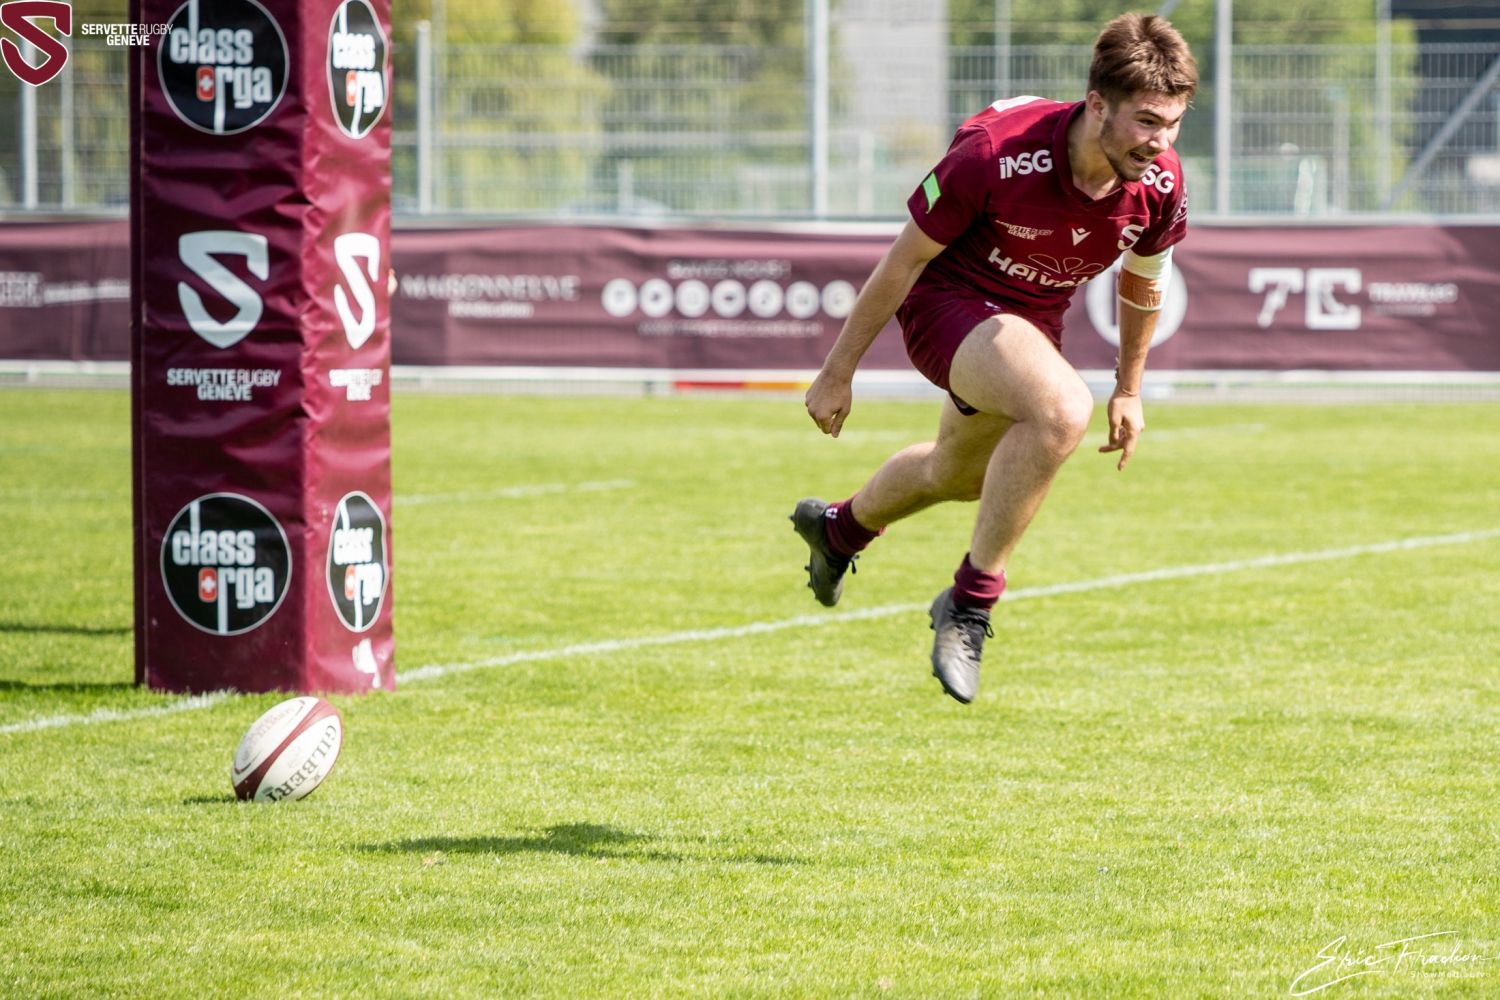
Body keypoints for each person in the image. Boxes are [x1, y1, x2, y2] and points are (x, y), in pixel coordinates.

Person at [791, 13, 1198, 704]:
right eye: (1147, 122)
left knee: (961, 476)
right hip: (946, 302)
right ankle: (971, 602)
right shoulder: (996, 152)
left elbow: (1144, 278)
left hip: (1030, 323)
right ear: (1098, 104)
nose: (1160, 143)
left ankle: (838, 530)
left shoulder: (1159, 181)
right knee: (1061, 410)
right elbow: (903, 261)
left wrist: (1130, 388)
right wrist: (838, 370)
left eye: (1174, 124)